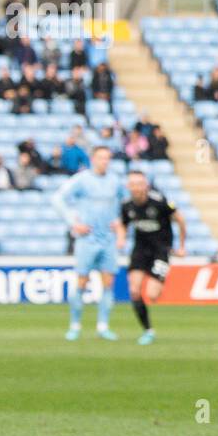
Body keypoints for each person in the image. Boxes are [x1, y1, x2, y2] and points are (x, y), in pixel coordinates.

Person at [50, 146, 127, 342]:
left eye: (108, 158)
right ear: (93, 159)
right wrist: (74, 222)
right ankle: (75, 325)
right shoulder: (82, 179)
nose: (105, 161)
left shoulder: (115, 181)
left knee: (108, 282)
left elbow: (125, 205)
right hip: (87, 239)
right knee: (82, 282)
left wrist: (121, 224)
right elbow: (57, 198)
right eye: (101, 158)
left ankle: (103, 326)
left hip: (108, 239)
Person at [117, 170, 186, 345]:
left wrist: (181, 246)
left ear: (146, 185)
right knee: (134, 291)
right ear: (128, 186)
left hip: (161, 250)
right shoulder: (126, 205)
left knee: (152, 294)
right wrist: (121, 238)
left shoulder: (159, 201)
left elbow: (180, 219)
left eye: (139, 184)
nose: (136, 188)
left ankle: (159, 279)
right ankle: (148, 330)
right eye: (132, 184)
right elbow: (123, 225)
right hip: (140, 250)